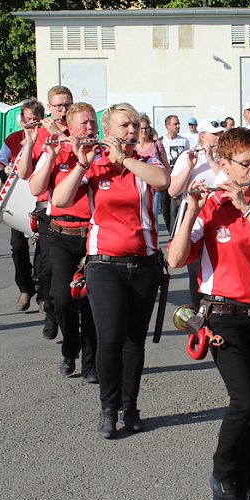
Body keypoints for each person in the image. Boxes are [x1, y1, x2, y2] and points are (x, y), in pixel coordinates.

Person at [168, 128, 250, 500]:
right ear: (224, 165)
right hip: (223, 315)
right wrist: (190, 209)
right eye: (246, 163)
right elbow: (174, 259)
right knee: (245, 400)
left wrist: (247, 208)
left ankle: (246, 482)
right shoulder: (210, 202)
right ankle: (222, 475)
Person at [52, 102, 170, 439]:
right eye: (123, 126)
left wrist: (127, 160)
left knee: (135, 340)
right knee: (110, 338)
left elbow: (163, 181)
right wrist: (80, 163)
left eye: (134, 125)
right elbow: (60, 199)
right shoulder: (96, 164)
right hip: (104, 263)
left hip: (144, 262)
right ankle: (108, 407)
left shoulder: (145, 160)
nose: (131, 131)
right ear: (108, 131)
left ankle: (129, 406)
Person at [29, 102, 99, 381]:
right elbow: (35, 187)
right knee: (61, 298)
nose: (90, 127)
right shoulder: (57, 149)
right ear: (70, 126)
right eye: (84, 123)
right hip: (60, 234)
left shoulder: (102, 153)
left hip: (93, 235)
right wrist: (51, 155)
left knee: (92, 300)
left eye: (93, 122)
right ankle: (70, 349)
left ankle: (91, 363)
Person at [17, 85, 75, 338]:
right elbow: (23, 173)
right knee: (48, 268)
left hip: (80, 210)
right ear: (49, 108)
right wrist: (30, 144)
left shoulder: (78, 130)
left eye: (67, 104)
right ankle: (51, 311)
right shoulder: (41, 132)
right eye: (59, 105)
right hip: (48, 211)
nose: (64, 110)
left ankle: (75, 323)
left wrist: (61, 133)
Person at [0, 99, 45, 314]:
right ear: (22, 121)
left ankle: (43, 291)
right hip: (19, 197)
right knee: (18, 246)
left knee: (44, 249)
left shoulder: (48, 139)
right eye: (28, 120)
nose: (32, 124)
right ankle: (25, 288)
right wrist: (4, 170)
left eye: (36, 120)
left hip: (42, 197)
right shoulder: (13, 139)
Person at [168, 118, 224, 306]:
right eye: (214, 135)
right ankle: (198, 315)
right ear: (202, 137)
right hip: (195, 217)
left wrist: (211, 160)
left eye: (221, 135)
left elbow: (225, 184)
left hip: (220, 217)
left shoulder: (226, 158)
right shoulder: (187, 156)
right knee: (195, 269)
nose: (219, 138)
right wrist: (191, 166)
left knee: (219, 267)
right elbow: (173, 191)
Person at [159, 114, 190, 232]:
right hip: (166, 179)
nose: (178, 126)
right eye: (175, 124)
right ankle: (168, 231)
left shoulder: (184, 141)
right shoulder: (161, 141)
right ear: (167, 126)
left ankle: (175, 235)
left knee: (174, 210)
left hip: (179, 179)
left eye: (178, 124)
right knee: (165, 210)